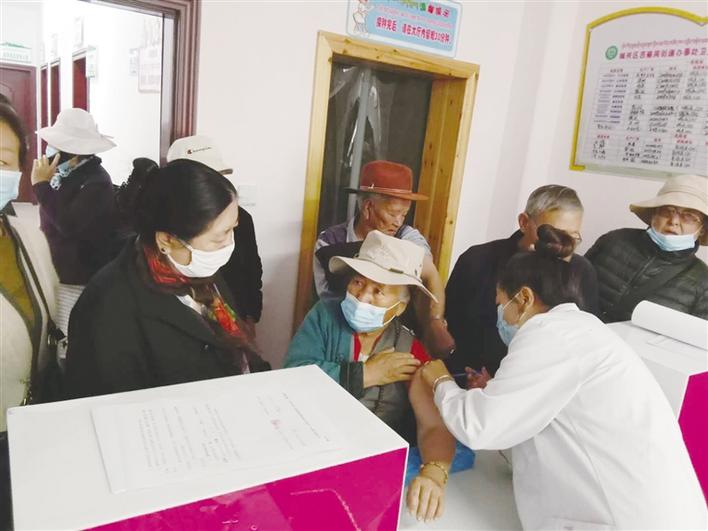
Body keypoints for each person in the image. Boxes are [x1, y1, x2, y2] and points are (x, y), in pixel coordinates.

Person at [419, 225, 706, 530]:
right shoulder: (580, 329)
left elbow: (480, 427)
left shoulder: (551, 336)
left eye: (500, 304)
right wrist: (496, 395)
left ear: (524, 298)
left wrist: (440, 381)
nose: (499, 316)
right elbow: (543, 417)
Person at [65, 158, 270, 399]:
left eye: (233, 229)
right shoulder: (109, 303)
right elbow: (107, 404)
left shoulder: (199, 275)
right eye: (220, 236)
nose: (230, 244)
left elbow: (238, 351)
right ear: (166, 240)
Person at [285, 230, 455, 521]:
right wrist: (365, 374)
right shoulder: (324, 316)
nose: (362, 296)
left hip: (370, 476)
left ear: (400, 307)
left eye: (378, 291)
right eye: (358, 282)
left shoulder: (409, 348)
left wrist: (434, 473)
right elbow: (290, 380)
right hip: (308, 459)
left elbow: (434, 425)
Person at [445, 184, 599, 377]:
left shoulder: (581, 272)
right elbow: (452, 324)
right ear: (524, 222)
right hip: (471, 374)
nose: (560, 247)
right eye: (552, 235)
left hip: (540, 378)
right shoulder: (477, 260)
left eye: (572, 238)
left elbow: (581, 341)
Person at [314, 160, 454, 358]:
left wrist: (435, 322)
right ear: (368, 207)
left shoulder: (408, 237)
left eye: (404, 214)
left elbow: (429, 273)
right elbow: (329, 300)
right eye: (393, 213)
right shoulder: (330, 242)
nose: (399, 222)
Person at [167, 135, 263, 333]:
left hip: (233, 315)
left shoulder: (241, 219)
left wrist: (251, 315)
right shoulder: (165, 227)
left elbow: (251, 268)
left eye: (218, 177)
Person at [586, 174, 708, 322]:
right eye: (667, 211)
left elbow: (697, 334)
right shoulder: (614, 241)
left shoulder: (703, 280)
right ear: (653, 215)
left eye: (688, 217)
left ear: (702, 229)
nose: (674, 221)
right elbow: (571, 285)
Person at [32, 108, 121, 285]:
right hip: (56, 266)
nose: (49, 150)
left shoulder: (97, 183)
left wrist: (41, 186)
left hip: (79, 274)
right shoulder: (67, 174)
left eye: (56, 146)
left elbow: (68, 225)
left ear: (73, 154)